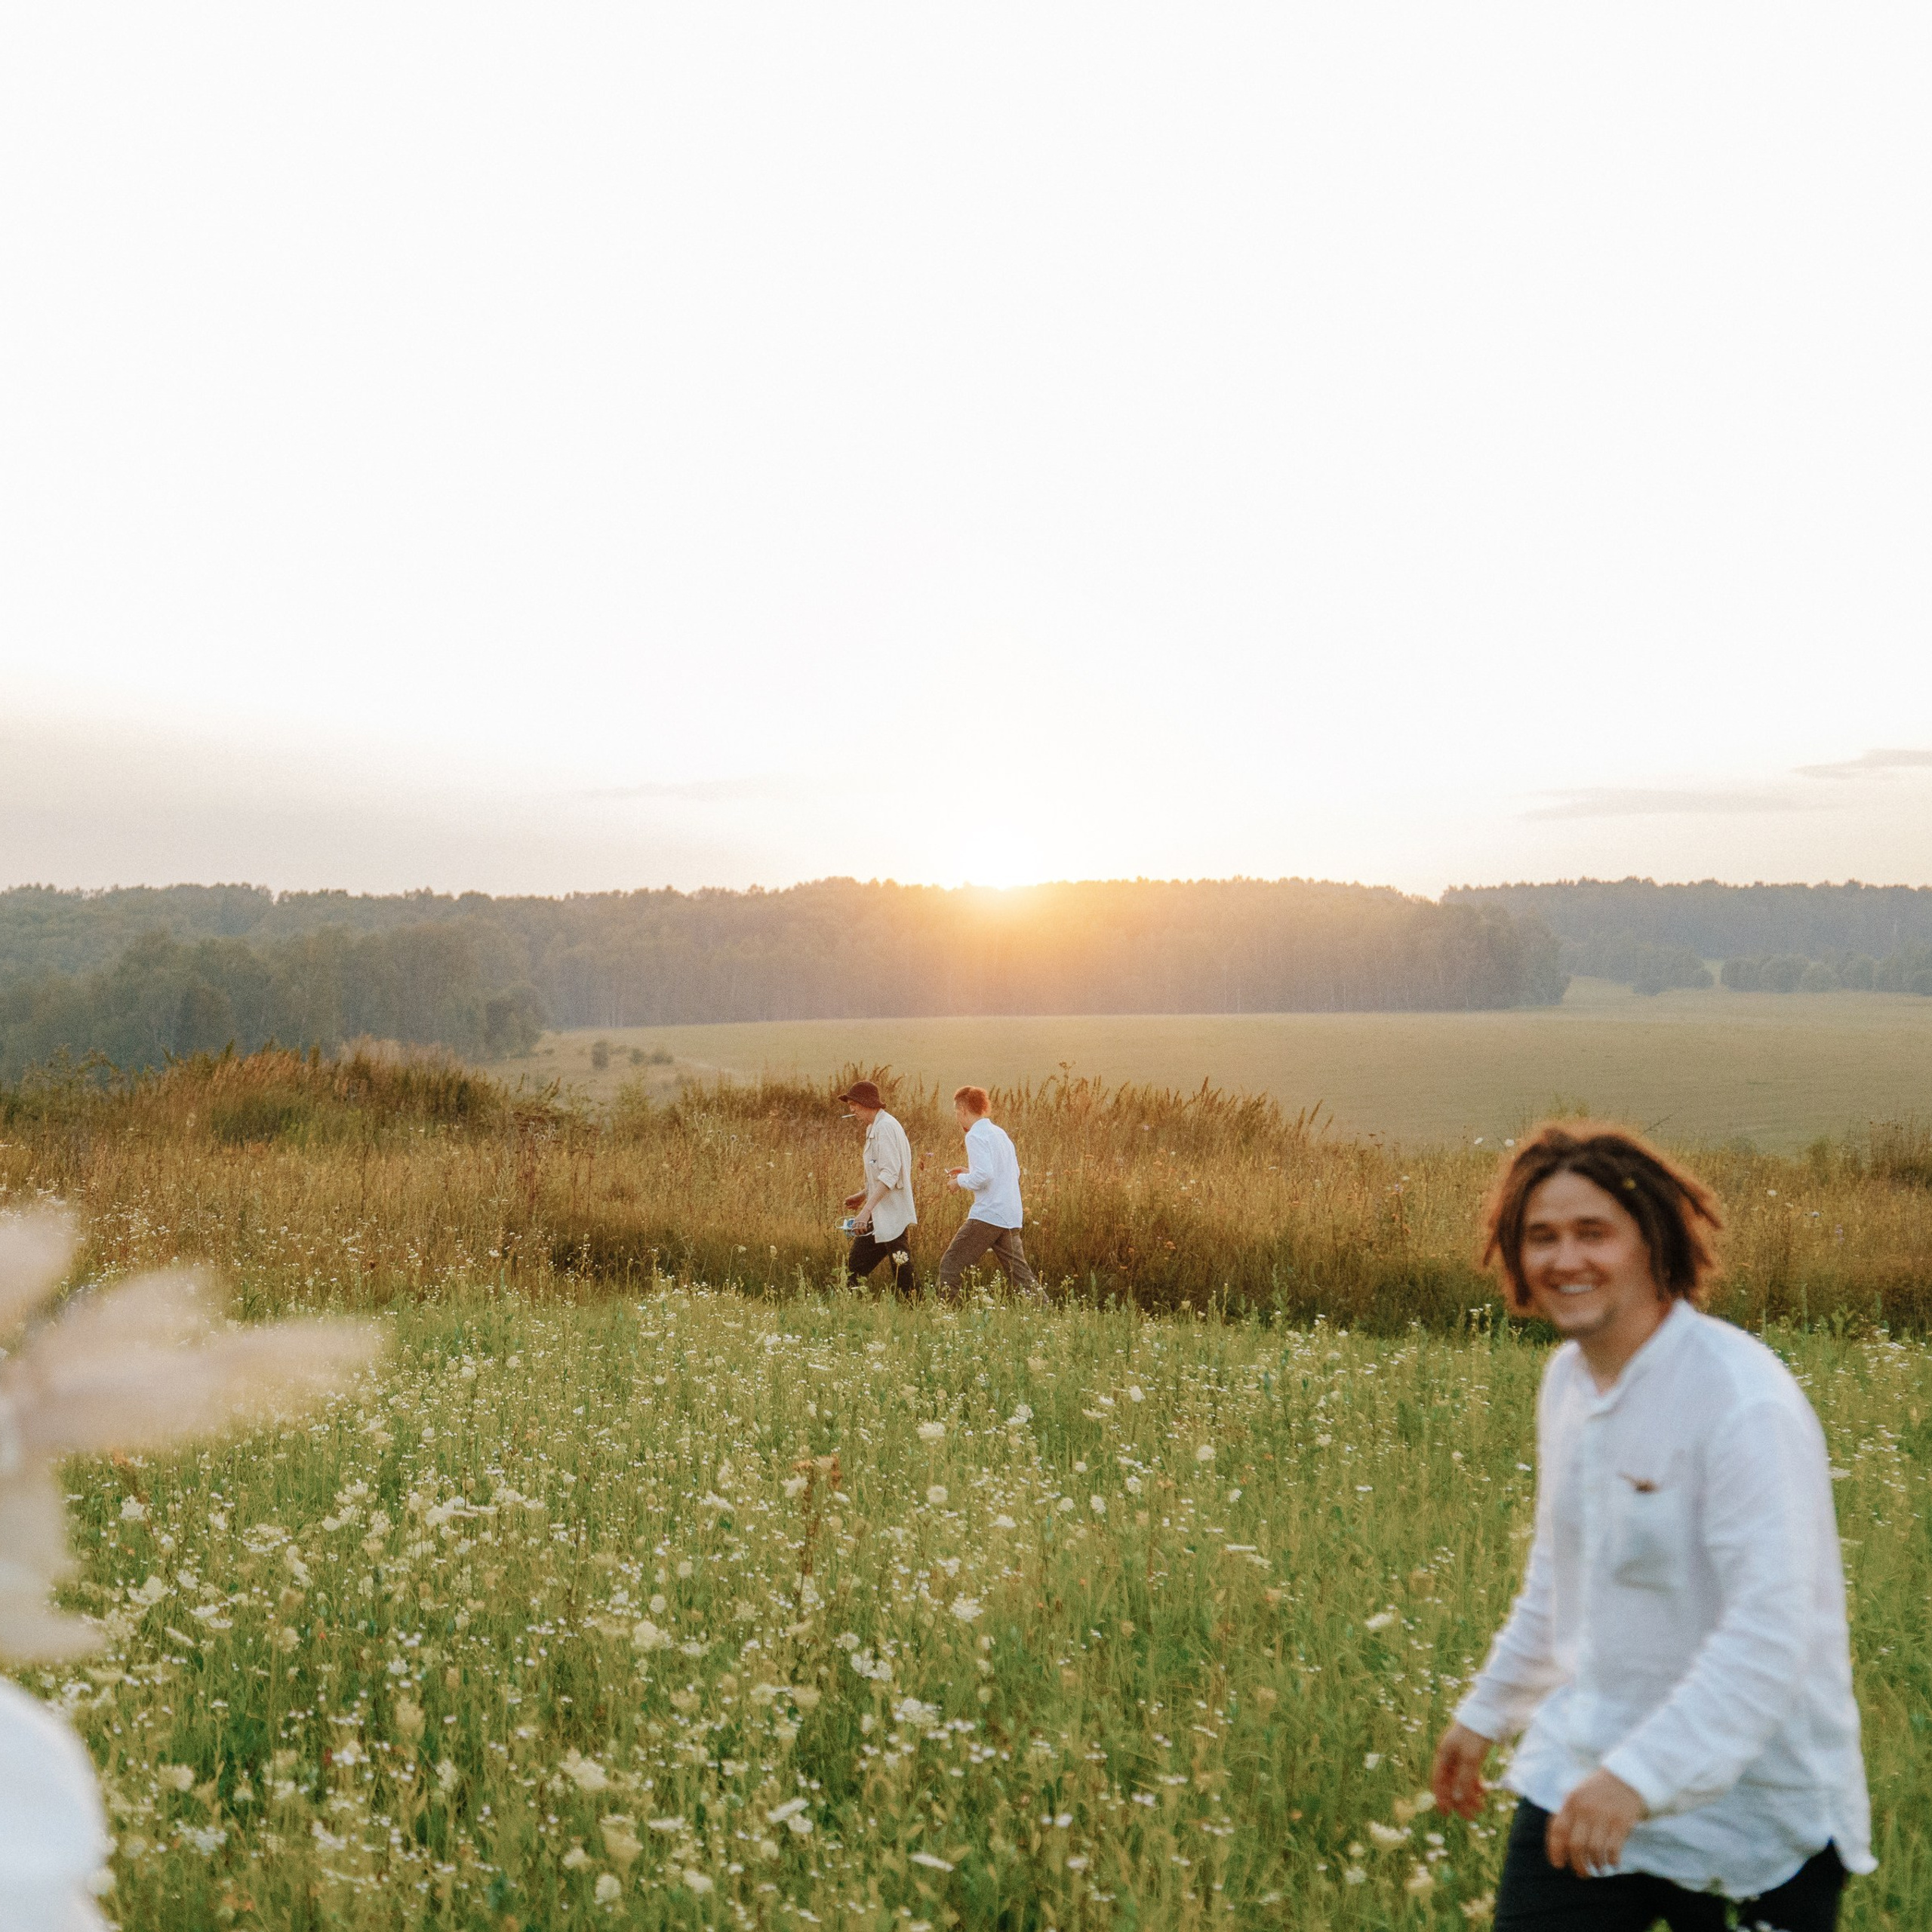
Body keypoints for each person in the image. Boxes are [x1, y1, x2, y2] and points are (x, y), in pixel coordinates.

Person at [1430, 1122, 1871, 1931]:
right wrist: (1487, 1711)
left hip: (1751, 1816)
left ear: (1651, 1243)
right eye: (1542, 1236)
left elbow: (1769, 1635)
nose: (1566, 1259)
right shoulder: (1569, 1381)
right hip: (1583, 1773)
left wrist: (1638, 1777)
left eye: (1592, 1232)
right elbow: (1560, 1578)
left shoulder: (1740, 1401)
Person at [938, 1085, 1044, 1299]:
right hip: (1009, 1214)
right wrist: (970, 1172)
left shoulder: (975, 1136)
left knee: (950, 1265)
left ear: (963, 1110)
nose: (957, 1117)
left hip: (988, 1215)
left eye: (957, 1112)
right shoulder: (999, 1133)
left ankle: (945, 1314)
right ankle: (1045, 1312)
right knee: (1021, 1276)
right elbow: (1010, 1173)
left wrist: (959, 1181)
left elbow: (984, 1176)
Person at [838, 1078, 917, 1294]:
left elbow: (891, 1175)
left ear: (866, 1103)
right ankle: (846, 1306)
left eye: (853, 1104)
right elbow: (882, 1174)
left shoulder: (886, 1128)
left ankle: (915, 1309)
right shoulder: (874, 1127)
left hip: (891, 1213)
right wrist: (863, 1195)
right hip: (880, 1212)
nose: (852, 1109)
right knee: (854, 1268)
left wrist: (865, 1212)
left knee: (902, 1273)